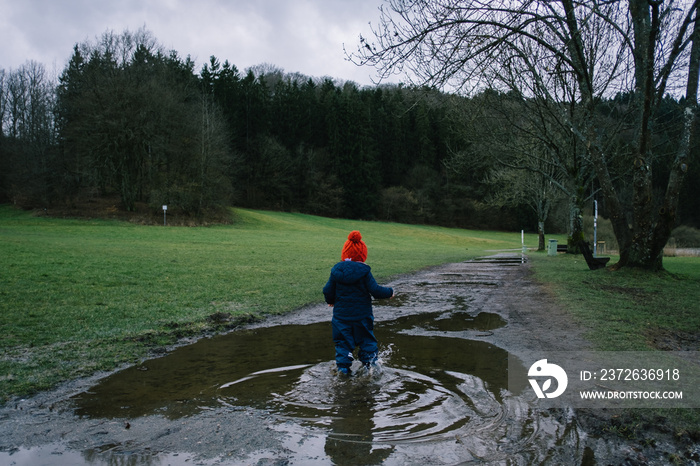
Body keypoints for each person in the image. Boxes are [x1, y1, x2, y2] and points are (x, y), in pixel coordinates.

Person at [323, 230, 394, 376]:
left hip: (341, 317)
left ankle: (343, 369)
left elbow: (328, 290)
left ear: (344, 254)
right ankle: (371, 367)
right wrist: (390, 292)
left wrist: (331, 301)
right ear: (362, 255)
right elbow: (375, 290)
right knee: (366, 340)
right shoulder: (364, 271)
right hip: (362, 316)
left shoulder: (336, 270)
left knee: (343, 343)